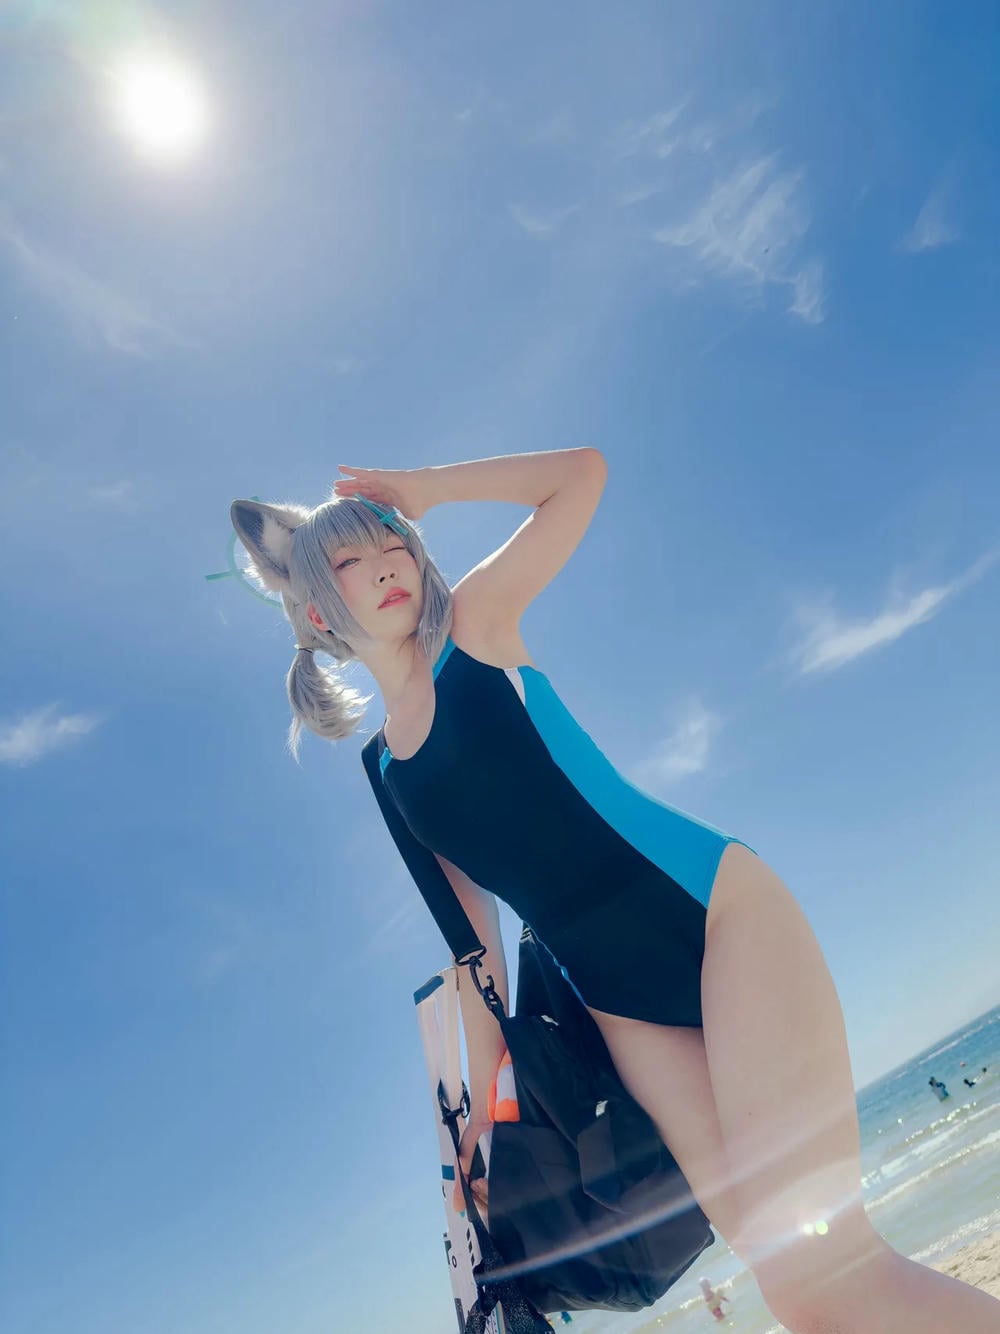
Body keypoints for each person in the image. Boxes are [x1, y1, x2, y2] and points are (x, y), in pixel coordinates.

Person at [230, 450, 1000, 1333]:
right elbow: (474, 949)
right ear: (318, 611)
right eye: (351, 561)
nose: (384, 567)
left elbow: (581, 478)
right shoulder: (389, 773)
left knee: (841, 1263)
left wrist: (425, 491)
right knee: (796, 1290)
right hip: (622, 1008)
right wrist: (482, 1113)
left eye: (392, 544)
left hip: (715, 914)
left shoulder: (475, 628)